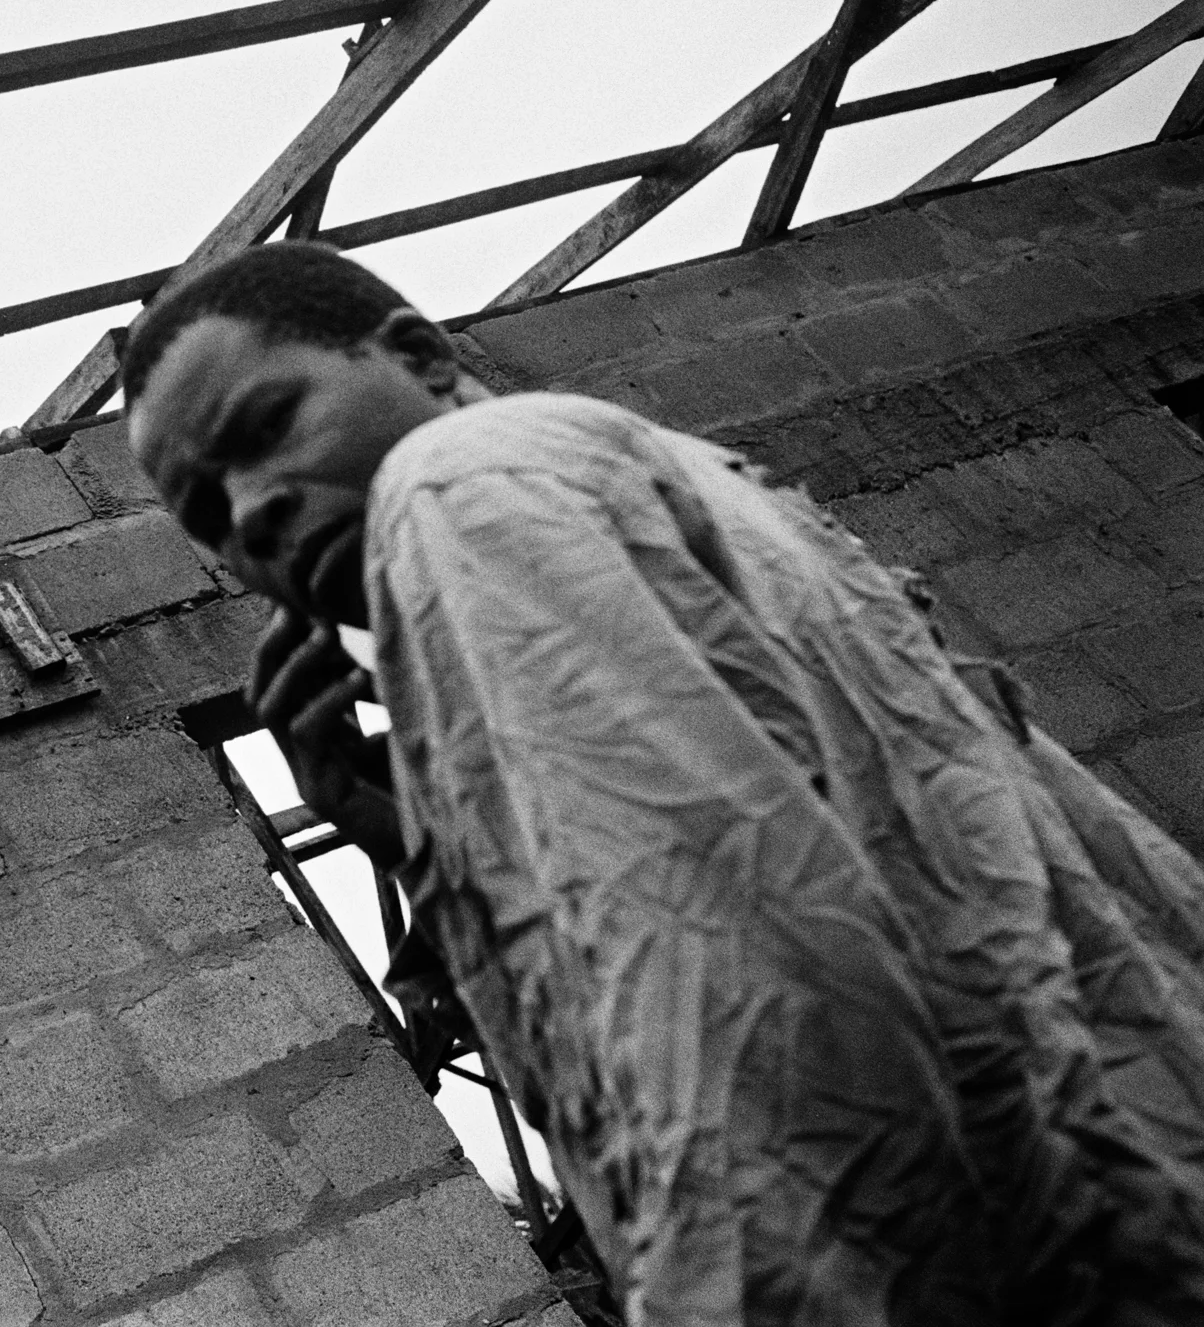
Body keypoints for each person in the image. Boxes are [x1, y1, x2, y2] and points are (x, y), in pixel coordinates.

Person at [122, 240, 1204, 1325]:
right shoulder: (670, 485)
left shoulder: (453, 488)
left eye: (265, 428)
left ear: (419, 356)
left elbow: (731, 956)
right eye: (208, 515)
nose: (250, 509)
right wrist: (423, 843)